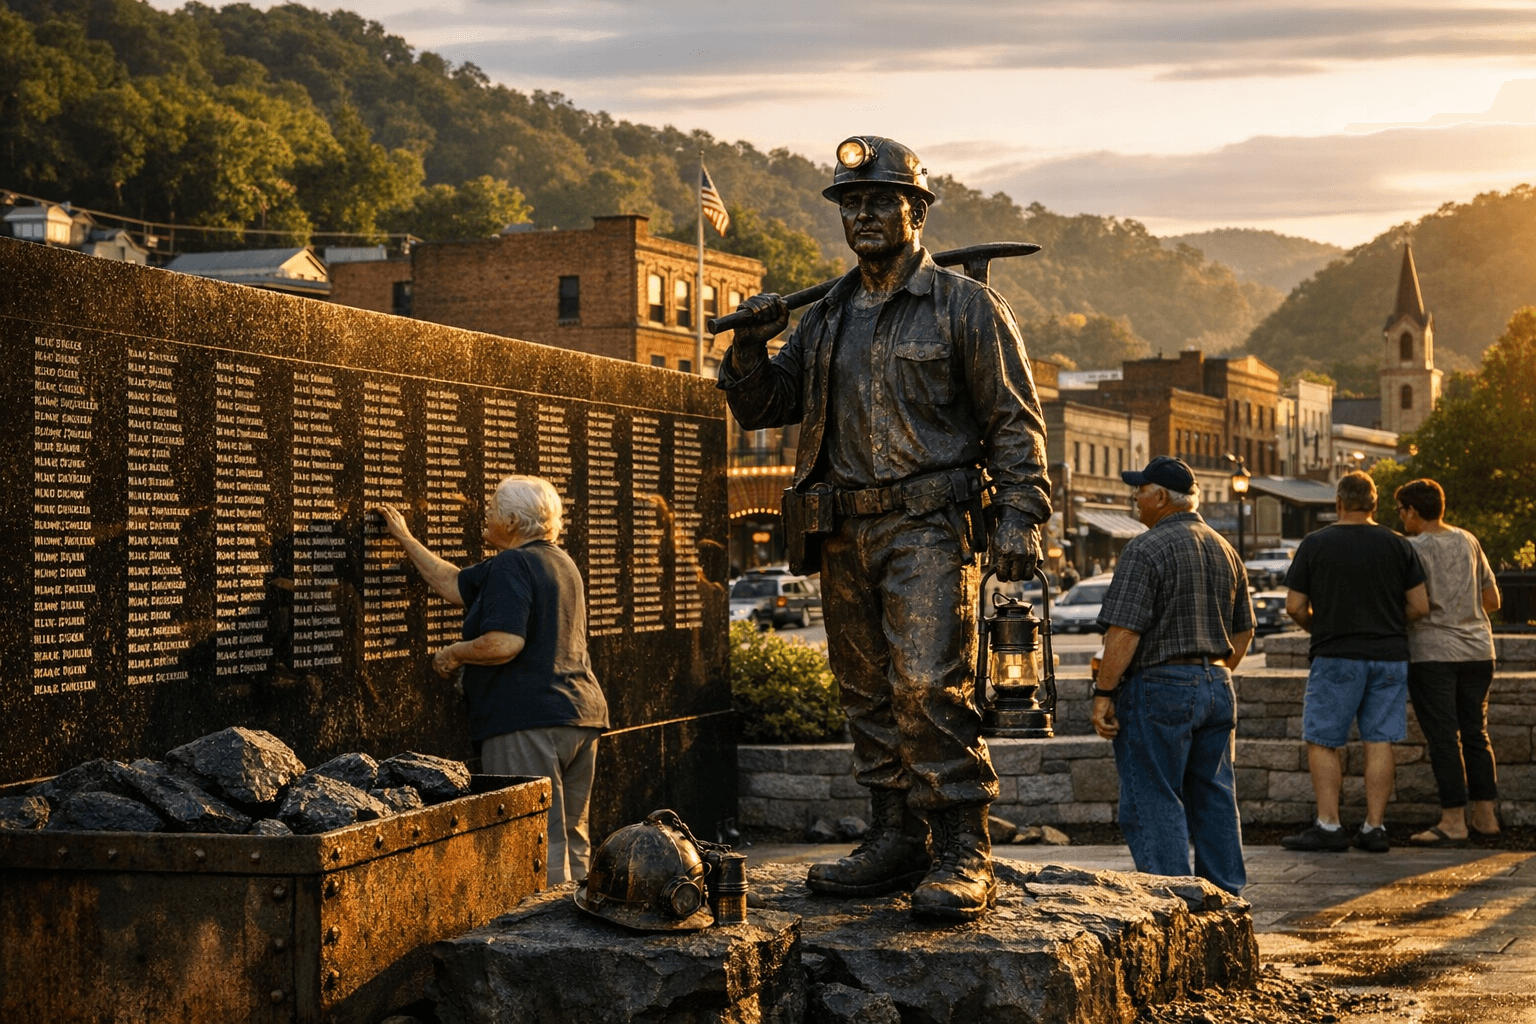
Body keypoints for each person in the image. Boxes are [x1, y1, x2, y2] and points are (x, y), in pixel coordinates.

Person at [719, 135, 1052, 922]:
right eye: (851, 204)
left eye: (880, 201)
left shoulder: (965, 307)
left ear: (917, 213)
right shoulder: (827, 317)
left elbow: (1014, 422)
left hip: (928, 524)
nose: (863, 215)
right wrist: (751, 345)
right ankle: (895, 835)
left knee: (928, 685)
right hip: (843, 528)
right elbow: (768, 407)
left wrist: (1019, 516)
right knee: (866, 692)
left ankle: (964, 846)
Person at [374, 475, 608, 884]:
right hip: (579, 716)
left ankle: (542, 924)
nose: (485, 511)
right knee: (571, 837)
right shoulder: (560, 562)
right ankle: (580, 916)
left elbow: (504, 643)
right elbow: (452, 583)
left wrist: (453, 653)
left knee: (535, 840)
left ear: (513, 521)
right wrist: (406, 539)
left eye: (493, 506)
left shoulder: (511, 564)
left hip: (527, 722)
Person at [1090, 456, 1253, 895]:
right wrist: (1210, 674)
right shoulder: (1225, 548)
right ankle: (1227, 898)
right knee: (1214, 796)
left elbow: (1124, 632)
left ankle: (1172, 898)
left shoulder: (1145, 549)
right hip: (1217, 683)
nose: (1134, 499)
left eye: (1140, 491)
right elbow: (1244, 631)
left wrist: (1104, 692)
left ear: (1161, 497)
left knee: (1153, 796)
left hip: (1159, 686)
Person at [1282, 471, 1428, 853]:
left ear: (1339, 503)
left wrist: (1320, 626)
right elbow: (1420, 605)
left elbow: (1294, 606)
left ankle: (1329, 826)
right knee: (1379, 740)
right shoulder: (1398, 544)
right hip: (1389, 657)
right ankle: (1374, 827)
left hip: (1336, 655)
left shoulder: (1315, 543)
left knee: (1322, 739)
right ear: (1374, 504)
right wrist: (1388, 623)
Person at [1395, 478, 1503, 845]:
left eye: (1402, 511)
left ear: (1413, 511)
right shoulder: (1468, 540)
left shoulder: (1411, 548)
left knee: (1444, 737)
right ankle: (1486, 816)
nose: (1401, 518)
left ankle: (1453, 820)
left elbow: (1414, 605)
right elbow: (1493, 600)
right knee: (1476, 732)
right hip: (1479, 651)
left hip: (1433, 653)